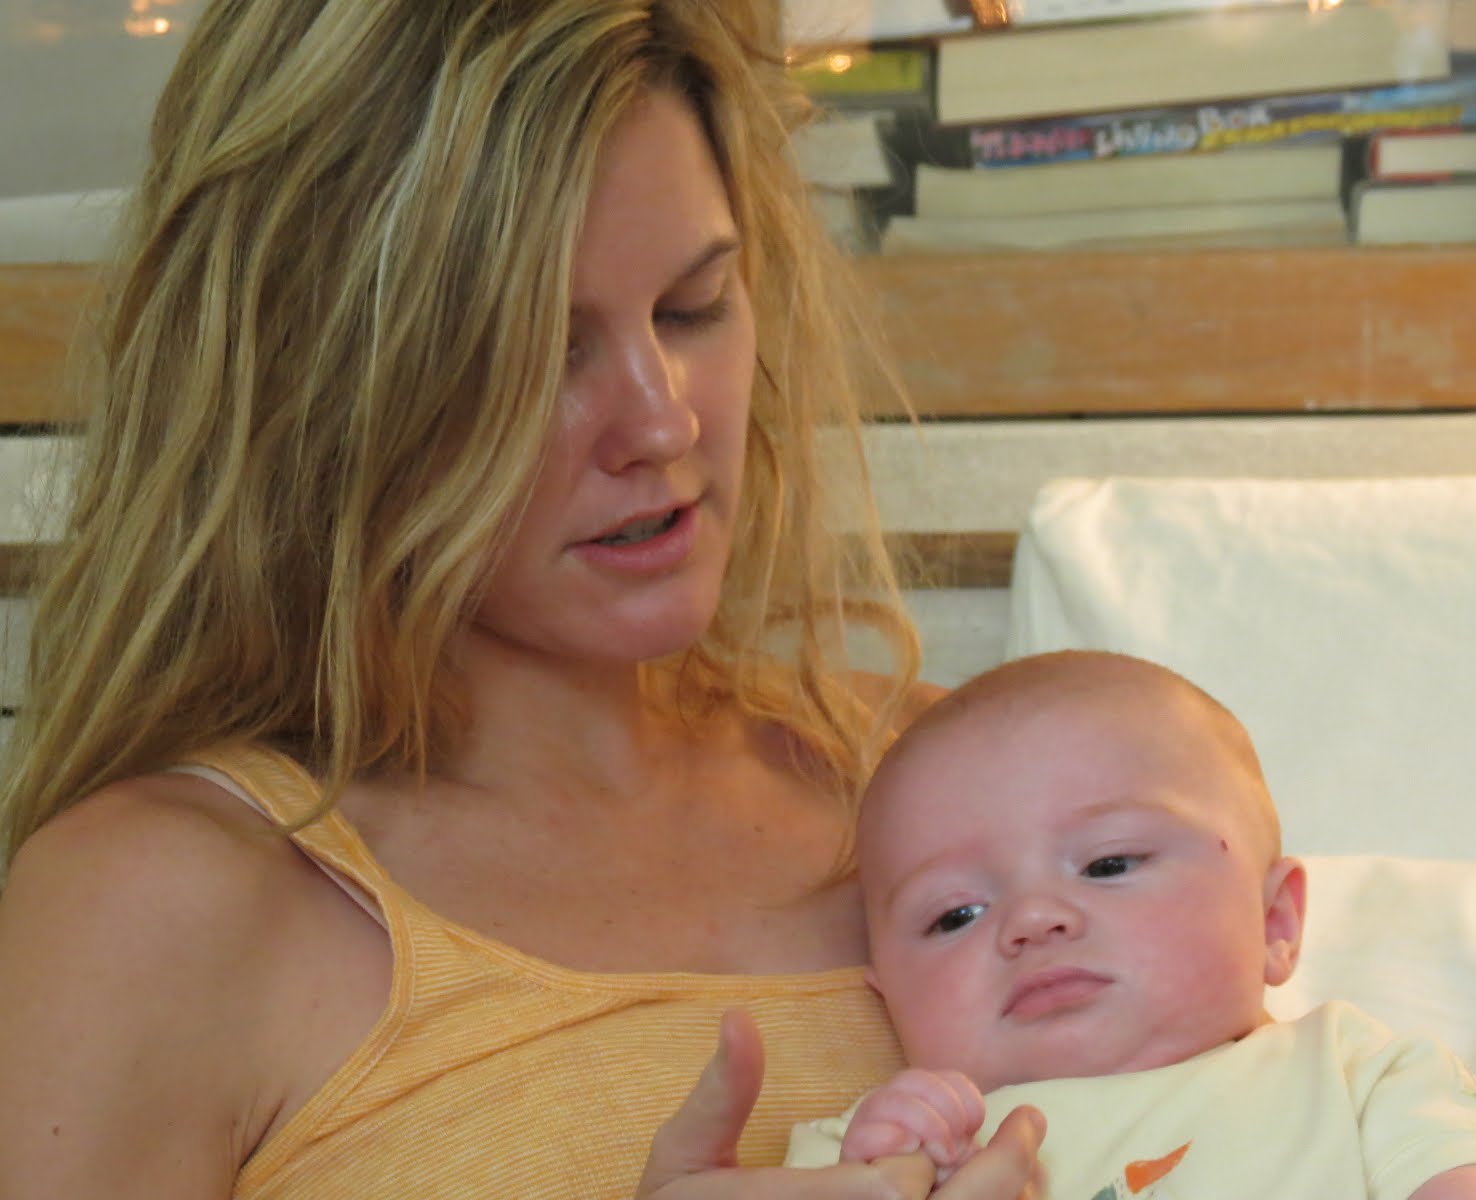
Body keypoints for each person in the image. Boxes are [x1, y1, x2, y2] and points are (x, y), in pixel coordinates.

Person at [0, 2, 1048, 1197]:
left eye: (693, 307)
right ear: (322, 381)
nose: (663, 421)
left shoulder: (951, 786)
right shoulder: (162, 903)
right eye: (539, 350)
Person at [787, 651, 1476, 1199]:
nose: (1032, 920)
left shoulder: (1357, 1072)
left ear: (1274, 921)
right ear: (883, 994)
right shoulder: (865, 1151)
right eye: (954, 914)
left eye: (1109, 863)